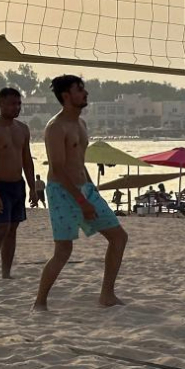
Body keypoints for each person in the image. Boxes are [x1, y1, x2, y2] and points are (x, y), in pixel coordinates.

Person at [34, 75, 128, 310]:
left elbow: (78, 161)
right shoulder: (55, 128)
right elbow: (58, 168)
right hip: (61, 192)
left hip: (84, 188)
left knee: (118, 237)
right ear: (66, 96)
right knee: (64, 250)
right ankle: (40, 302)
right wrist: (81, 201)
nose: (85, 93)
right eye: (80, 89)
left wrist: (90, 191)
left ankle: (107, 295)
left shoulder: (81, 124)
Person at [0, 87, 37, 279]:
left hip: (17, 185)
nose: (17, 107)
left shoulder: (22, 129)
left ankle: (6, 272)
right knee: (2, 228)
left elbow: (27, 160)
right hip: (1, 185)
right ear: (1, 104)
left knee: (12, 229)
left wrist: (33, 187)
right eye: (12, 104)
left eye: (19, 103)